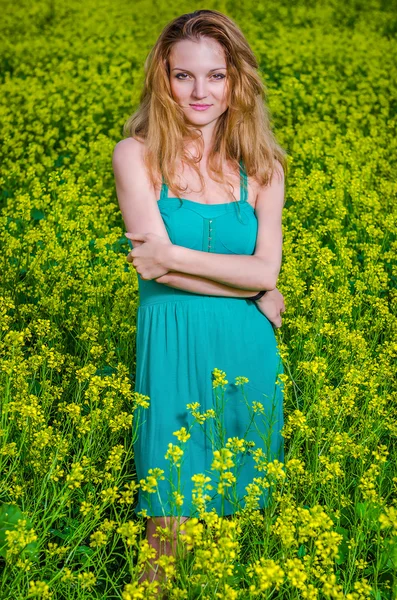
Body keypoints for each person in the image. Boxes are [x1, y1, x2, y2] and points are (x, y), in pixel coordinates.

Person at [112, 9, 287, 591]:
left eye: (216, 75)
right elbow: (151, 270)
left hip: (247, 356)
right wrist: (251, 286)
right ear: (162, 78)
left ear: (238, 80)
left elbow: (266, 267)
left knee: (223, 544)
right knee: (165, 535)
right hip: (172, 354)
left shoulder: (262, 168)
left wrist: (176, 257)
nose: (200, 91)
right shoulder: (136, 156)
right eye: (183, 75)